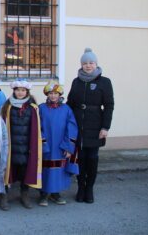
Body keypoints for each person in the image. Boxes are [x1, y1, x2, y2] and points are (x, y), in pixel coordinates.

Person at [67, 48, 114, 204]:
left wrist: (105, 128)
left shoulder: (104, 82)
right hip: (78, 126)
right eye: (85, 63)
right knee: (80, 158)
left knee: (92, 158)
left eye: (91, 63)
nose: (88, 66)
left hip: (96, 126)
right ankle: (80, 187)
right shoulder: (76, 81)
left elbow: (109, 106)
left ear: (96, 64)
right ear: (81, 64)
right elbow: (70, 103)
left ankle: (89, 189)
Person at [0, 79, 42, 210]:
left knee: (25, 171)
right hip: (11, 146)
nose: (20, 92)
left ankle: (24, 195)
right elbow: (2, 125)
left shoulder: (33, 108)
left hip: (26, 147)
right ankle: (4, 196)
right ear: (14, 91)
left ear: (27, 92)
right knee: (7, 171)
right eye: (17, 90)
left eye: (23, 90)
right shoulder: (8, 106)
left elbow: (36, 128)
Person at [38, 81, 79, 207]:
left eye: (55, 93)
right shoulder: (41, 108)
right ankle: (43, 194)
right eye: (50, 93)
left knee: (58, 170)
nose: (53, 96)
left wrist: (68, 146)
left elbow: (71, 128)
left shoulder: (66, 109)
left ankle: (56, 194)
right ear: (47, 94)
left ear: (60, 94)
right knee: (44, 170)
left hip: (60, 146)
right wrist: (42, 142)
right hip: (46, 145)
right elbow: (37, 127)